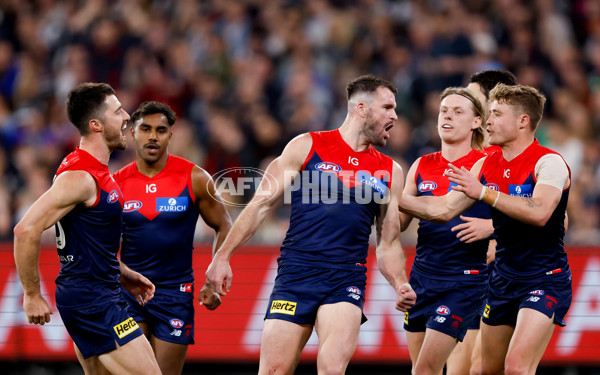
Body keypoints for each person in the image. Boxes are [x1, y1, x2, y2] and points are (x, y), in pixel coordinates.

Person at [205, 74, 417, 374]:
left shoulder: (390, 171)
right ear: (362, 109)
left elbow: (389, 242)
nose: (395, 115)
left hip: (346, 277)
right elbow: (259, 205)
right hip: (296, 274)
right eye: (388, 107)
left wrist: (400, 283)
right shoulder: (306, 146)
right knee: (274, 370)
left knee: (331, 368)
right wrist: (222, 256)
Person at [399, 83, 572, 374]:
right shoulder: (485, 164)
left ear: (523, 121)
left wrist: (485, 194)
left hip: (544, 279)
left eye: (497, 114)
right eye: (489, 113)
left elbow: (541, 212)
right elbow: (441, 210)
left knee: (516, 366)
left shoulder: (548, 162)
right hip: (502, 281)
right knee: (485, 370)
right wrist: (383, 194)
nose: (488, 121)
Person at [13, 82, 161, 375]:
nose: (127, 116)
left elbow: (85, 239)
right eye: (117, 111)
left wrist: (122, 273)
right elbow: (25, 230)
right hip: (94, 302)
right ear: (96, 125)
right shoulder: (80, 177)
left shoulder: (90, 169)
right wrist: (31, 294)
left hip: (96, 294)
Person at [113, 101, 233, 375]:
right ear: (133, 133)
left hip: (175, 295)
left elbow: (225, 226)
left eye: (160, 130)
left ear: (170, 135)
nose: (152, 136)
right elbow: (101, 244)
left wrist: (213, 281)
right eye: (145, 129)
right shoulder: (116, 184)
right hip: (131, 293)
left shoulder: (195, 178)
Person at [399, 87, 490, 375]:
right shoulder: (422, 165)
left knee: (426, 369)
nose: (447, 116)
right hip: (422, 278)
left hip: (463, 281)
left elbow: (532, 212)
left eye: (457, 111)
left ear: (476, 121)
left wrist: (493, 228)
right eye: (443, 111)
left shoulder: (486, 163)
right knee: (422, 370)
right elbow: (397, 223)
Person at [446, 69, 518, 375]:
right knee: (459, 370)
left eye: (472, 96)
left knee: (482, 368)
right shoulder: (469, 156)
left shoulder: (516, 156)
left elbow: (557, 219)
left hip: (505, 276)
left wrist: (495, 231)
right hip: (463, 277)